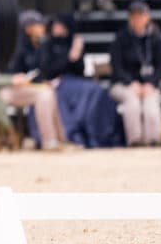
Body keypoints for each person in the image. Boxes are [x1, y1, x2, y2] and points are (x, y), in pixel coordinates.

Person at [40, 14, 120, 148]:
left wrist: (77, 54)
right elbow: (48, 70)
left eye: (59, 25)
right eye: (55, 25)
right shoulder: (48, 44)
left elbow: (80, 70)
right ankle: (72, 134)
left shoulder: (74, 41)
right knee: (68, 95)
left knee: (97, 91)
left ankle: (98, 134)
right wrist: (70, 56)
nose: (56, 27)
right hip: (56, 82)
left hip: (75, 82)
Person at [0, 10, 68, 150]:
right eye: (39, 25)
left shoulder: (37, 45)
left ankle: (60, 140)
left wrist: (41, 81)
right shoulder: (14, 46)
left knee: (49, 91)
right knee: (45, 94)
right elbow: (9, 74)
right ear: (28, 28)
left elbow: (39, 71)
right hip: (4, 90)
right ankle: (49, 141)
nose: (43, 27)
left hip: (24, 88)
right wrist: (16, 78)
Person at [108, 1, 161, 146]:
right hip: (123, 84)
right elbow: (116, 67)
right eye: (134, 16)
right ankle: (135, 141)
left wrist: (151, 83)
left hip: (148, 84)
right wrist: (130, 83)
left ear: (147, 17)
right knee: (132, 102)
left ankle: (154, 141)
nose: (137, 19)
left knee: (151, 103)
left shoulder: (155, 37)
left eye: (140, 15)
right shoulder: (121, 37)